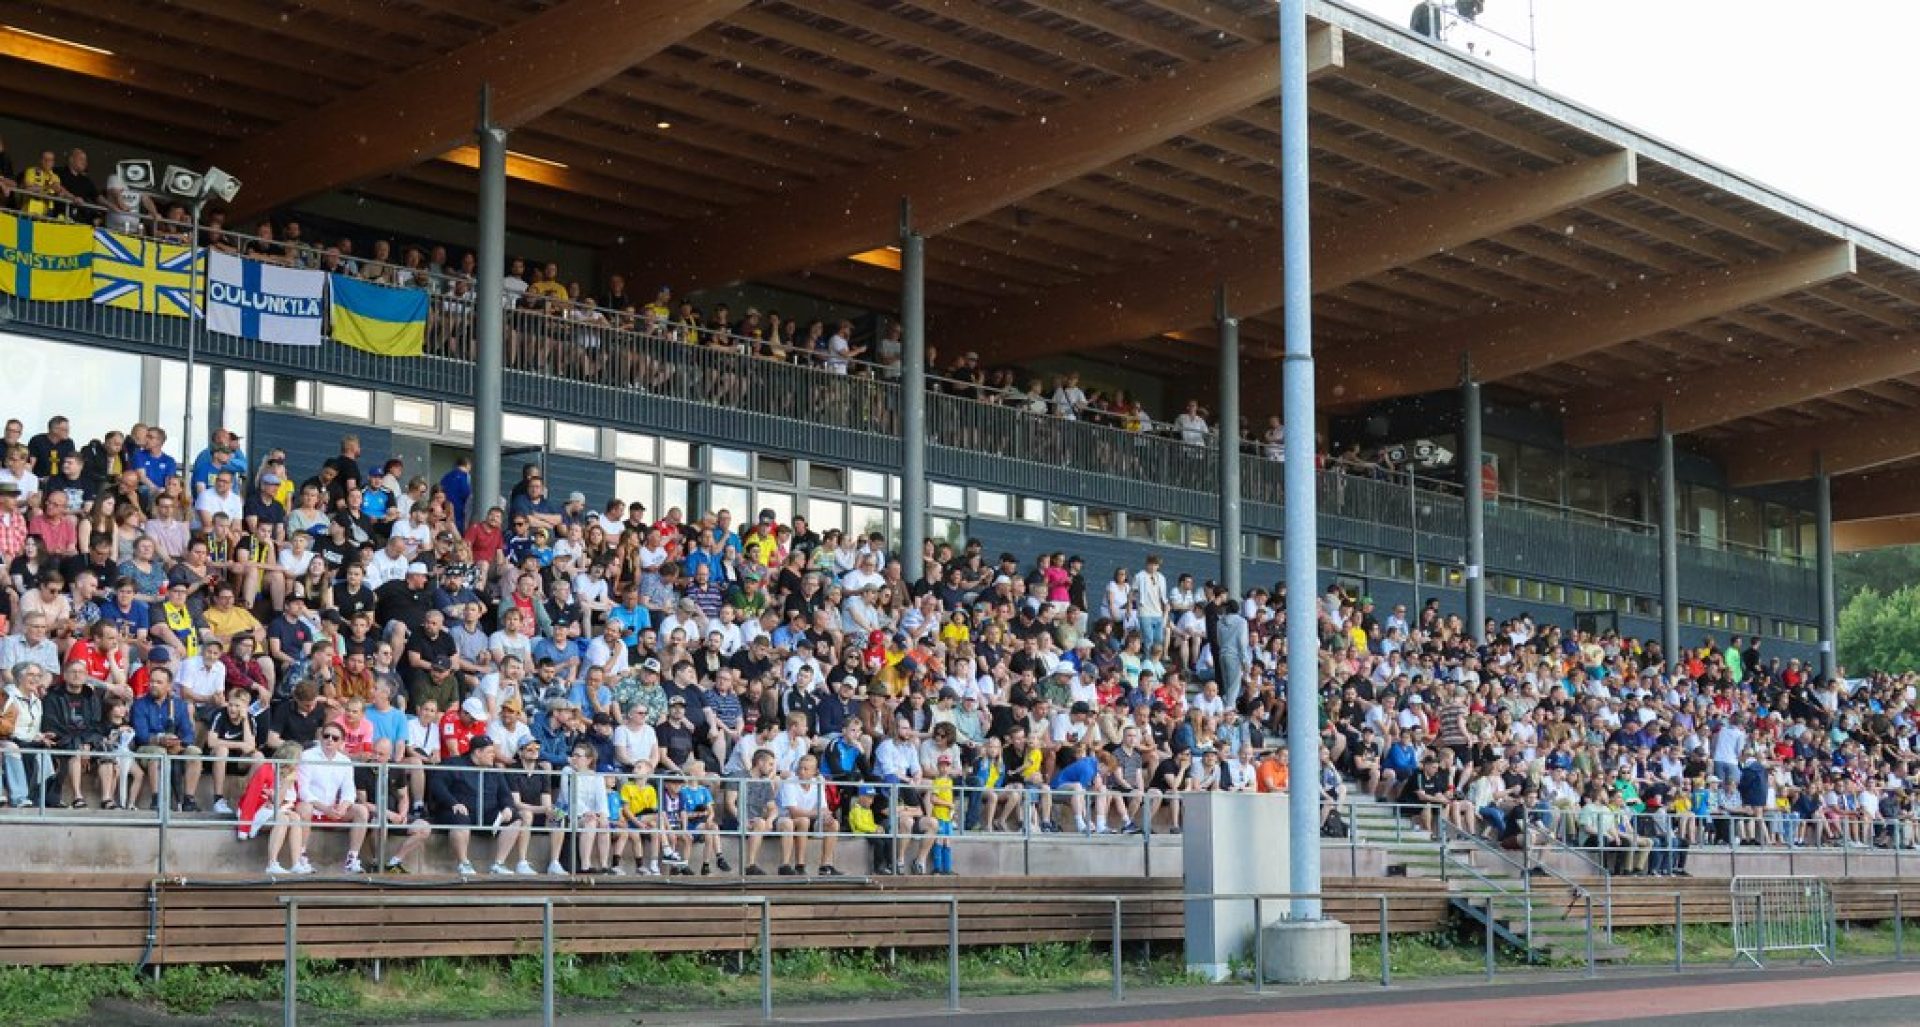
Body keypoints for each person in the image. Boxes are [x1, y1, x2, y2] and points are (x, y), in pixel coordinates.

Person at [429, 735, 527, 876]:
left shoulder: (494, 771)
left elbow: (505, 795)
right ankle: (464, 863)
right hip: (459, 812)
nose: (494, 755)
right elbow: (436, 785)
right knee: (460, 818)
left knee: (516, 819)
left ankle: (498, 864)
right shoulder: (454, 763)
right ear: (477, 752)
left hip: (487, 814)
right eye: (490, 752)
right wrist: (453, 803)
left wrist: (507, 808)